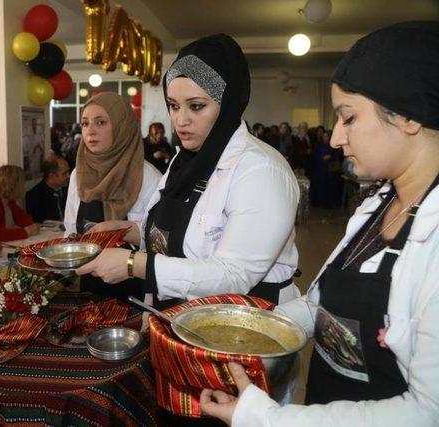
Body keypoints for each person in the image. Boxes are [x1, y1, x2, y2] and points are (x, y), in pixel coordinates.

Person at [199, 21, 439, 427]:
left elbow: (426, 410)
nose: (336, 138)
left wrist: (266, 418)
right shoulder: (377, 205)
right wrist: (244, 333)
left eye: (349, 118)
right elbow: (320, 303)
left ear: (407, 117)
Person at [77, 34, 300, 306]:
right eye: (173, 106)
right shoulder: (186, 159)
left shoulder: (261, 170)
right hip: (182, 316)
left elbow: (235, 274)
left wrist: (135, 264)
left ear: (227, 102)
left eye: (196, 106)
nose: (180, 120)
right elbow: (186, 230)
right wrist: (130, 230)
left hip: (243, 325)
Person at [63, 92, 161, 237]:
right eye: (85, 123)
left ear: (122, 126)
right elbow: (70, 230)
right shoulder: (79, 173)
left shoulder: (148, 178)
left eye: (100, 122)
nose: (90, 131)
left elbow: (156, 238)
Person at [25, 155, 70, 222]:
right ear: (51, 176)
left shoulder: (70, 189)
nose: (69, 176)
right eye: (65, 173)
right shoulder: (35, 195)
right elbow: (38, 222)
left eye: (68, 171)